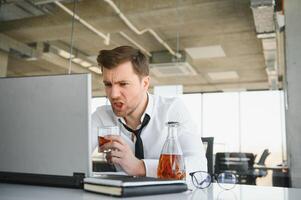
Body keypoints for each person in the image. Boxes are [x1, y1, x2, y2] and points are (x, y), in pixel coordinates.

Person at [92, 46, 207, 178]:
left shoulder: (172, 110)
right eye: (108, 84)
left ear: (145, 83)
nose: (113, 94)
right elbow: (73, 155)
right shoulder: (101, 116)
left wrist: (140, 167)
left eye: (123, 84)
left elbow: (199, 169)